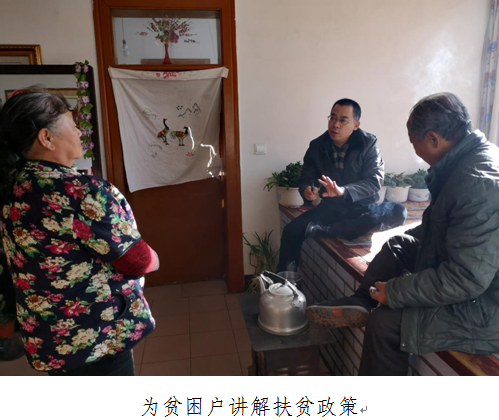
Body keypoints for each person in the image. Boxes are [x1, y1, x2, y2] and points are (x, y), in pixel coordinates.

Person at [307, 92, 499, 375]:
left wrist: (395, 292)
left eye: (414, 142)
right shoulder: (466, 160)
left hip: (487, 306)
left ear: (433, 138)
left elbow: (466, 279)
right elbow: (438, 230)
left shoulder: (476, 184)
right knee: (399, 244)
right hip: (473, 276)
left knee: (386, 323)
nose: (415, 151)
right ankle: (361, 301)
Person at [0, 88, 159, 375]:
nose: (80, 132)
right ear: (46, 138)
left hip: (50, 338)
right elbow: (136, 260)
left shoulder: (14, 186)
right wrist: (155, 259)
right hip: (95, 337)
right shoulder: (81, 193)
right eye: (73, 125)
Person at [276, 98, 407, 273]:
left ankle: (327, 230)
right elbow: (307, 176)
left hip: (362, 208)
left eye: (343, 120)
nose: (335, 124)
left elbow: (374, 181)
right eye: (333, 118)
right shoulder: (317, 145)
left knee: (398, 211)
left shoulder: (368, 144)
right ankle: (284, 283)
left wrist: (344, 191)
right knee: (291, 231)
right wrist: (307, 189)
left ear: (356, 124)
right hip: (331, 208)